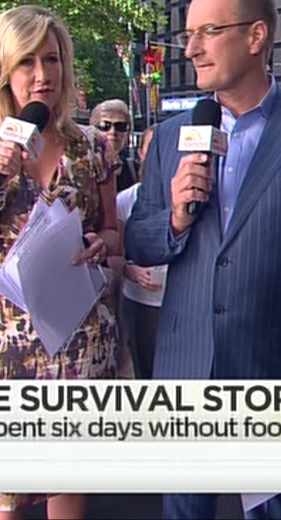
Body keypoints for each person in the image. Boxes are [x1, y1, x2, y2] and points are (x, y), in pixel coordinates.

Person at [124, 0, 281, 520]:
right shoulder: (171, 137)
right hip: (186, 373)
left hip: (273, 376)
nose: (191, 49)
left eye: (208, 32)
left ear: (256, 36)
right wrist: (176, 216)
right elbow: (139, 240)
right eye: (188, 34)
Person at [0, 4, 121, 520]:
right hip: (5, 345)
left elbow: (115, 234)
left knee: (67, 489)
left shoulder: (92, 147)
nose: (42, 74)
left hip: (78, 337)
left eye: (51, 59)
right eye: (26, 61)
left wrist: (102, 244)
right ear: (3, 70)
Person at [113, 123, 166, 380]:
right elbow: (113, 255)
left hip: (181, 303)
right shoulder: (126, 199)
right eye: (152, 147)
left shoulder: (193, 195)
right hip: (141, 303)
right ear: (141, 153)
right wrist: (131, 270)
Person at [90, 99, 138, 192]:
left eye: (120, 126)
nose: (113, 132)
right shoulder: (83, 169)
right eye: (104, 126)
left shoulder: (135, 170)